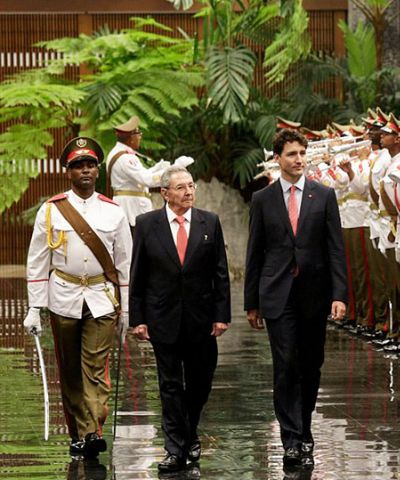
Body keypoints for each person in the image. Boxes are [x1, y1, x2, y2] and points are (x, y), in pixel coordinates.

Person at [244, 129, 347, 469]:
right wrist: (251, 302)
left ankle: (304, 426)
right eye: (291, 154)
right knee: (285, 363)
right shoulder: (263, 199)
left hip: (314, 295)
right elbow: (255, 251)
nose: (299, 160)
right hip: (277, 294)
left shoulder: (324, 196)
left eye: (302, 153)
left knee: (310, 364)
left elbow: (335, 249)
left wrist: (339, 295)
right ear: (278, 158)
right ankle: (291, 437)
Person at [23, 136, 132, 458]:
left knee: (95, 368)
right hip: (64, 297)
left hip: (100, 296)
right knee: (70, 369)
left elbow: (125, 264)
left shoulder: (114, 211)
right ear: (67, 172)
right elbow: (37, 261)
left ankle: (92, 431)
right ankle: (79, 434)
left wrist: (127, 309)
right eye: (77, 166)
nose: (84, 170)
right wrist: (34, 307)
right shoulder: (51, 210)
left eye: (89, 165)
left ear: (97, 170)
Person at [129, 166, 231, 473]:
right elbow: (139, 275)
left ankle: (189, 430)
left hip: (202, 318)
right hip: (163, 317)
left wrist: (221, 315)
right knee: (170, 385)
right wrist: (139, 318)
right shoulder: (147, 224)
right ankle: (175, 448)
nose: (188, 192)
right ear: (165, 193)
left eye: (191, 186)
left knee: (200, 382)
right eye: (181, 187)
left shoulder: (208, 222)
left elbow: (220, 273)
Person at [107, 116, 194, 229]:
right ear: (131, 138)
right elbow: (147, 180)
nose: (140, 138)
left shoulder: (119, 153)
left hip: (131, 205)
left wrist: (157, 168)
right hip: (131, 208)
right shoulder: (126, 158)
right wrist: (173, 169)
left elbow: (139, 175)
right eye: (139, 135)